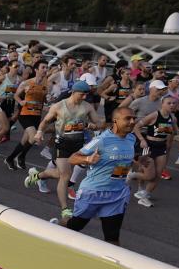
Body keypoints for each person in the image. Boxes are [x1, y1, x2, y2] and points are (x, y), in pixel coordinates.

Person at [46, 105, 138, 244]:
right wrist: (88, 159)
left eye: (134, 118)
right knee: (75, 226)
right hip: (93, 192)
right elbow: (73, 158)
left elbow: (124, 158)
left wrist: (139, 161)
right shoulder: (102, 140)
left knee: (112, 238)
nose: (132, 122)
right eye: (127, 119)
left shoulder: (131, 138)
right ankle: (55, 228)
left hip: (117, 194)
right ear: (115, 121)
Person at [25, 80, 100, 222]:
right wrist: (40, 132)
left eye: (86, 95)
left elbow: (99, 123)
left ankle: (37, 176)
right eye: (82, 94)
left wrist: (91, 125)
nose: (84, 97)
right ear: (74, 92)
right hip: (62, 144)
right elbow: (45, 121)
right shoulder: (59, 106)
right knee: (65, 175)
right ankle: (65, 209)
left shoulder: (87, 107)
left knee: (60, 174)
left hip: (78, 144)